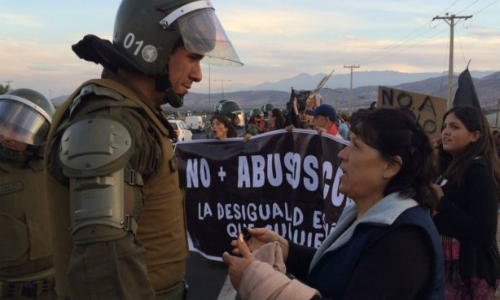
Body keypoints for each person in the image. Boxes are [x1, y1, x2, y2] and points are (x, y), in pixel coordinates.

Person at [44, 0, 242, 299]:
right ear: (153, 49)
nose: (198, 74)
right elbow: (104, 267)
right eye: (192, 57)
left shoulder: (132, 115)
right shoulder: (111, 123)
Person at [223, 108, 445, 300]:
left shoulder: (405, 240)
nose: (342, 154)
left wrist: (257, 282)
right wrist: (287, 250)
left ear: (391, 166)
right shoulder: (367, 215)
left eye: (356, 146)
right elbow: (340, 270)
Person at [432, 106, 500, 299]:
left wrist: (441, 202)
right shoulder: (454, 166)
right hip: (449, 264)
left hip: (467, 270)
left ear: (474, 135)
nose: (446, 132)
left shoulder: (478, 171)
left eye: (455, 127)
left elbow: (484, 231)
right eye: (444, 126)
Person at [0, 88, 56, 300]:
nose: (7, 136)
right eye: (4, 125)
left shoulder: (56, 169)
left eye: (18, 130)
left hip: (57, 290)